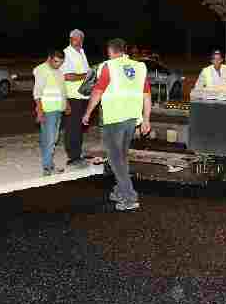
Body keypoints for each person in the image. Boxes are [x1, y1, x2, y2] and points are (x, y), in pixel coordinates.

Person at [82, 38, 152, 211]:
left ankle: (129, 197)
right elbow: (147, 95)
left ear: (110, 51)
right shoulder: (138, 67)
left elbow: (98, 91)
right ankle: (120, 190)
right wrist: (146, 119)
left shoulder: (109, 66)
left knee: (115, 159)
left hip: (113, 119)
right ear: (124, 50)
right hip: (131, 119)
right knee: (121, 157)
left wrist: (88, 112)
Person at [32, 49, 70, 176]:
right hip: (48, 110)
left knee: (49, 139)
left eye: (60, 62)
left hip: (58, 109)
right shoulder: (42, 70)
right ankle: (47, 167)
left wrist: (66, 104)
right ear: (49, 58)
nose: (58, 64)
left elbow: (62, 89)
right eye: (56, 62)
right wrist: (40, 110)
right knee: (50, 139)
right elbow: (37, 93)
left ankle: (49, 164)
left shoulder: (58, 71)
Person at [61, 29, 92, 168]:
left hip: (84, 95)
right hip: (72, 96)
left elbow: (86, 73)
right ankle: (72, 157)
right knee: (72, 128)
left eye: (80, 39)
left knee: (79, 127)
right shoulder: (66, 54)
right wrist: (85, 75)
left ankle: (77, 154)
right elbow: (67, 76)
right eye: (76, 39)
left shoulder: (82, 52)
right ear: (70, 38)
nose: (78, 41)